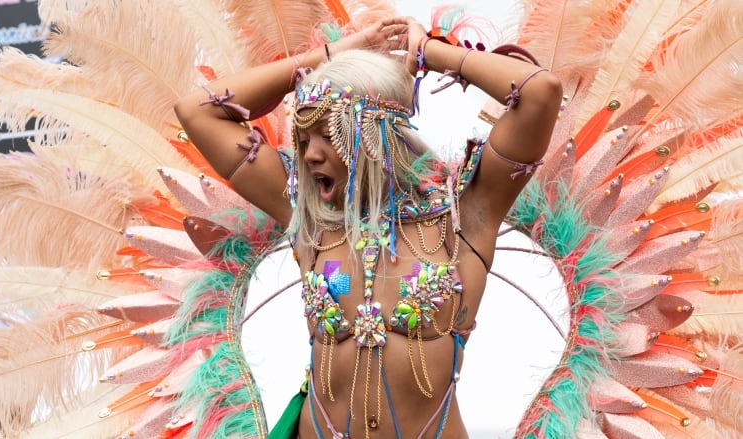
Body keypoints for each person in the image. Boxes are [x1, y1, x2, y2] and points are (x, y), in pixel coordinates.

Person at [175, 15, 562, 439]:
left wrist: (427, 53)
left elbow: (540, 92)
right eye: (304, 140)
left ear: (376, 132)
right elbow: (197, 112)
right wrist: (332, 57)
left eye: (327, 134)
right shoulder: (311, 220)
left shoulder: (462, 217)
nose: (309, 156)